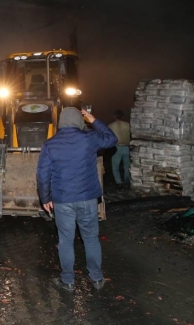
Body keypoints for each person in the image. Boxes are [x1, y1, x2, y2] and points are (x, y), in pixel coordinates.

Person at [37, 107, 117, 292]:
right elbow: (112, 139)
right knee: (91, 239)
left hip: (63, 200)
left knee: (66, 240)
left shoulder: (50, 144)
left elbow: (42, 175)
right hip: (87, 198)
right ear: (79, 121)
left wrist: (46, 198)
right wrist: (93, 119)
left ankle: (68, 281)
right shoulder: (89, 138)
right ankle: (96, 278)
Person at [108, 109, 131, 191]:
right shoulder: (127, 125)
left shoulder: (110, 126)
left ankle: (119, 183)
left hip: (116, 148)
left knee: (115, 167)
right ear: (122, 117)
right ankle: (127, 182)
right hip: (127, 147)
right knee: (127, 167)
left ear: (114, 117)